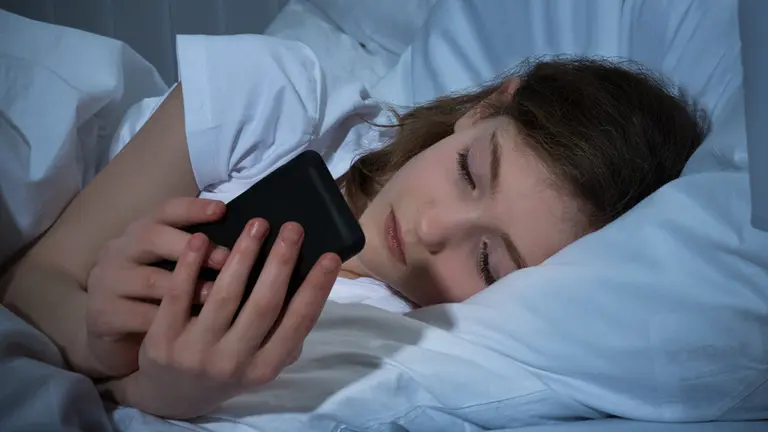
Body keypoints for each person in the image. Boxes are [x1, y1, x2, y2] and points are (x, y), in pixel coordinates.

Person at [0, 34, 707, 419]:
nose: (431, 228)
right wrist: (94, 339)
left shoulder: (408, 347)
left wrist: (152, 394)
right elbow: (33, 280)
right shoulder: (283, 101)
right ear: (488, 106)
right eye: (468, 171)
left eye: (488, 262)